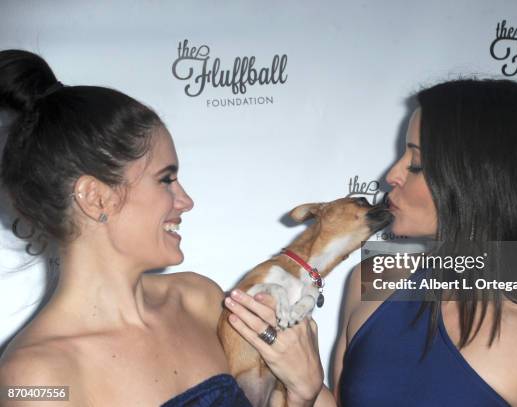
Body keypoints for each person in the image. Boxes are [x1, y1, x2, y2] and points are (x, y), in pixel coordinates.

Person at [227, 79, 517, 406]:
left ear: (480, 181)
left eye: (417, 164)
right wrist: (305, 391)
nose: (391, 175)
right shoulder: (374, 279)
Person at [0, 49, 322, 406]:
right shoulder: (33, 377)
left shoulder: (200, 301)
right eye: (165, 180)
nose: (185, 201)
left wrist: (303, 393)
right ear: (95, 197)